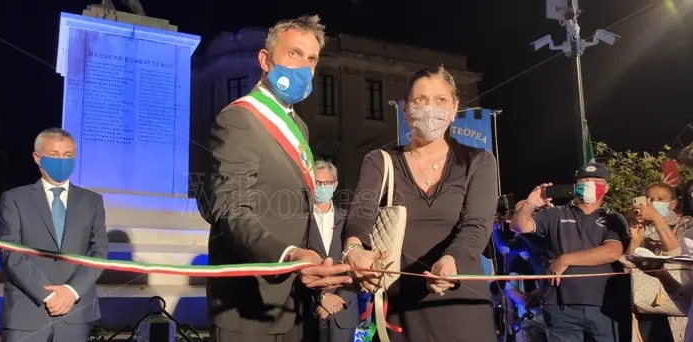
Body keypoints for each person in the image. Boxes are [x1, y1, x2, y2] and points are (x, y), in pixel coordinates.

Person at [197, 15, 353, 342]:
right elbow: (231, 211)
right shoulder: (239, 118)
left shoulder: (300, 128)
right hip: (248, 305)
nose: (304, 68)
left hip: (294, 301)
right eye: (294, 54)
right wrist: (287, 255)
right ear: (266, 61)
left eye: (311, 59)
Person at [341, 66, 499, 342]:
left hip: (461, 306)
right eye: (419, 100)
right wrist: (354, 249)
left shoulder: (479, 161)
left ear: (454, 109)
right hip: (401, 311)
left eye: (440, 100)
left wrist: (452, 260)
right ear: (405, 109)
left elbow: (477, 225)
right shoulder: (380, 161)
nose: (430, 109)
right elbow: (360, 214)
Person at [0, 128, 108, 342]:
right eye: (54, 155)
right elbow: (10, 252)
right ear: (37, 158)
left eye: (68, 156)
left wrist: (71, 291)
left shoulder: (92, 201)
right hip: (26, 313)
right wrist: (48, 295)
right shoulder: (14, 199)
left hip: (75, 313)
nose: (62, 161)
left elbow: (99, 252)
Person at [510, 163, 631, 342]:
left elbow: (612, 252)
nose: (589, 184)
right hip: (560, 306)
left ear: (606, 188)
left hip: (606, 306)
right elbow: (518, 226)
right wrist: (530, 204)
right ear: (576, 185)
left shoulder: (612, 219)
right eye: (584, 180)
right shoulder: (554, 214)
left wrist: (565, 259)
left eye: (596, 181)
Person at [627, 182, 693, 341]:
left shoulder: (686, 225)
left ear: (673, 204)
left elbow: (677, 256)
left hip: (676, 307)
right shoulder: (641, 226)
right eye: (650, 199)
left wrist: (657, 219)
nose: (654, 203)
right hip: (647, 304)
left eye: (660, 199)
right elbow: (628, 264)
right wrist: (635, 239)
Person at [303, 161, 359, 342]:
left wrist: (335, 299)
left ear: (335, 186)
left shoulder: (348, 219)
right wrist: (320, 297)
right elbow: (292, 266)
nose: (322, 187)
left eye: (327, 183)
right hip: (308, 312)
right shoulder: (299, 220)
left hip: (343, 310)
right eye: (318, 183)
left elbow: (355, 264)